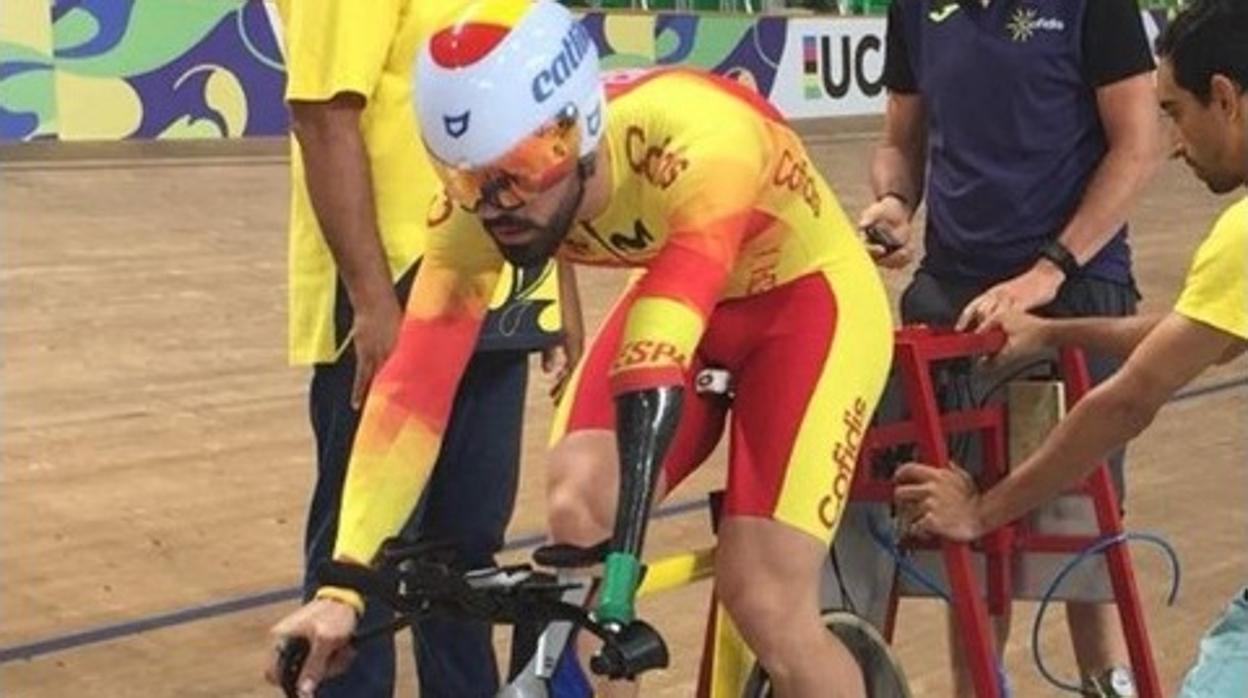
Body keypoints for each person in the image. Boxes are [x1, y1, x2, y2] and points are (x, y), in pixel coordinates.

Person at [264, 1, 897, 696]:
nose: (498, 203)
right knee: (577, 505)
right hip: (687, 289)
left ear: (581, 130)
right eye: (467, 179)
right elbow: (412, 391)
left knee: (766, 598)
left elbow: (655, 363)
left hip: (806, 305)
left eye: (523, 170)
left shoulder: (703, 141)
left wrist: (620, 586)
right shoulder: (484, 203)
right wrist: (343, 584)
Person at [894, 2, 1248, 696]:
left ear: (1227, 99)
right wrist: (1056, 333)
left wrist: (980, 511)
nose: (1174, 143)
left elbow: (1127, 400)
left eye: (1175, 112)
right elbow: (1195, 335)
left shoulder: (1241, 238)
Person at [273, 1, 581, 695]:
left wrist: (557, 284)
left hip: (497, 289)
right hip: (396, 296)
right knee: (361, 564)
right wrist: (374, 300)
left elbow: (545, 126)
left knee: (467, 557)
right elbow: (322, 117)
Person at [858, 0, 1162, 693]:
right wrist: (896, 202)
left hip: (1075, 284)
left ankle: (1105, 680)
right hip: (954, 291)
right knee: (958, 529)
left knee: (1078, 517)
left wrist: (1047, 271)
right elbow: (900, 138)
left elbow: (1140, 145)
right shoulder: (912, 8)